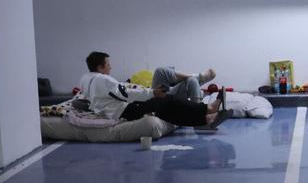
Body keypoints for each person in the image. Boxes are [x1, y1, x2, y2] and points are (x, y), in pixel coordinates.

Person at [79, 52, 225, 128]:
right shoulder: (103, 80)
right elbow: (125, 94)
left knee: (164, 109)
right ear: (100, 67)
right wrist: (152, 93)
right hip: (124, 110)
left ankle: (205, 118)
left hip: (116, 109)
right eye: (108, 64)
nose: (110, 67)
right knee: (166, 101)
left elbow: (84, 98)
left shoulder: (85, 78)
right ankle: (207, 110)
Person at [151, 66, 217, 102]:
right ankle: (198, 77)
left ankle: (198, 77)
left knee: (192, 80)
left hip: (166, 94)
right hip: (159, 100)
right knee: (159, 71)